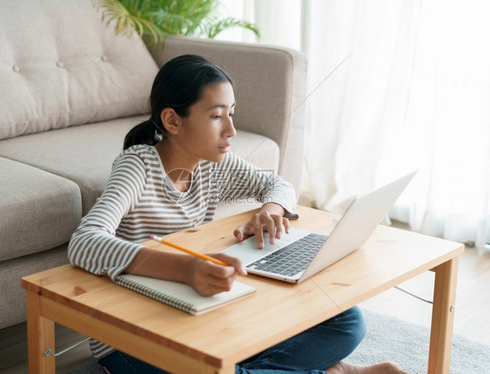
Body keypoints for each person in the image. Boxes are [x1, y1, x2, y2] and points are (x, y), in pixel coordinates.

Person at [68, 54, 408, 374]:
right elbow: (85, 243)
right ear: (173, 120)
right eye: (217, 116)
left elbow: (277, 185)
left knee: (346, 321)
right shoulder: (137, 167)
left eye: (232, 113)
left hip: (197, 318)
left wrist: (269, 211)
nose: (230, 129)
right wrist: (187, 269)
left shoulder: (212, 164)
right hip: (129, 338)